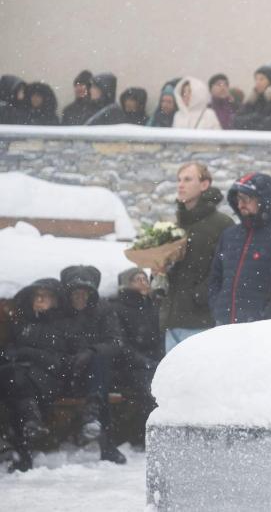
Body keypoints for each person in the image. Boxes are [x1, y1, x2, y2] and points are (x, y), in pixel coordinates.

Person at [208, 173, 271, 325]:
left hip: (263, 330)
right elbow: (215, 278)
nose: (241, 204)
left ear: (263, 200)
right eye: (238, 199)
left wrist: (267, 315)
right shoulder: (229, 236)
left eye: (246, 198)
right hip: (224, 326)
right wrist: (218, 307)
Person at [159, 163, 233, 350]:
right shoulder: (175, 226)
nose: (180, 185)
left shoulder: (221, 224)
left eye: (188, 179)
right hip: (173, 319)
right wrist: (158, 272)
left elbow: (228, 268)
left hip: (203, 320)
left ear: (204, 184)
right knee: (173, 378)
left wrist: (200, 295)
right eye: (179, 180)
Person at [58, 265, 127, 464]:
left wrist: (91, 352)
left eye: (84, 293)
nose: (80, 297)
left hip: (94, 376)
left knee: (99, 371)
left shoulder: (103, 311)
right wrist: (71, 359)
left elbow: (117, 342)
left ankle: (95, 419)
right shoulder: (60, 313)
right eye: (75, 293)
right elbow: (51, 346)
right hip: (65, 374)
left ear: (91, 294)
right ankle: (106, 442)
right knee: (98, 387)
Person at [2, 278, 63, 472]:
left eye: (45, 296)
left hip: (48, 379)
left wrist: (27, 353)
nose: (39, 300)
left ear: (54, 300)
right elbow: (10, 348)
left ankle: (20, 443)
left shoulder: (60, 325)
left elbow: (58, 361)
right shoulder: (21, 323)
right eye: (36, 296)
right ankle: (27, 428)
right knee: (12, 388)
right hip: (18, 379)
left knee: (14, 384)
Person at [111, 267, 163, 446]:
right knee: (149, 388)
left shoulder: (153, 306)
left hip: (153, 361)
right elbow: (121, 344)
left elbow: (159, 338)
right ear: (126, 285)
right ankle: (146, 434)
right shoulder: (118, 309)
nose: (143, 282)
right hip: (128, 365)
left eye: (144, 278)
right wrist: (146, 362)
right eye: (137, 279)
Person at [233, 66, 271, 131]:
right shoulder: (253, 100)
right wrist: (256, 118)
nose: (258, 82)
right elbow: (235, 121)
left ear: (270, 81)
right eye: (256, 79)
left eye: (262, 79)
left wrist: (252, 121)